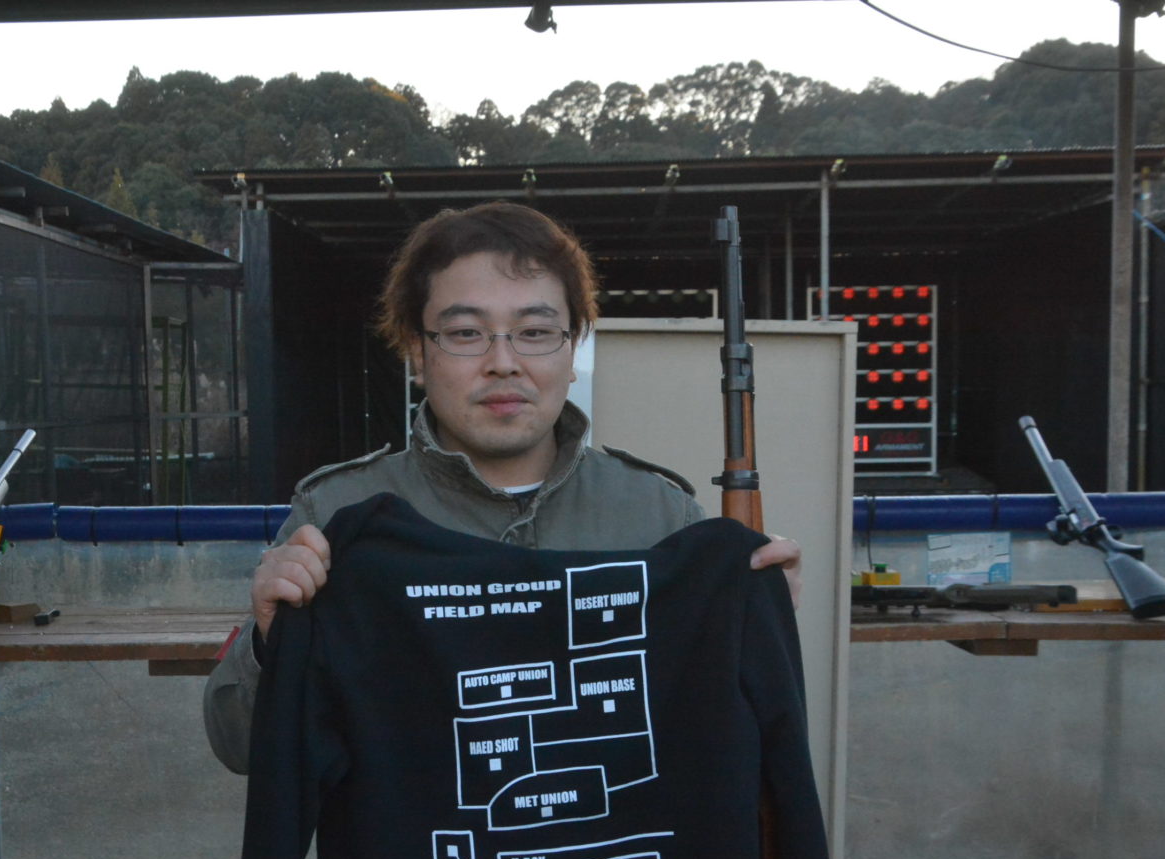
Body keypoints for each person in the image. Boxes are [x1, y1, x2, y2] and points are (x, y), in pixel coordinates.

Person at [204, 200, 799, 773]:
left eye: (535, 332)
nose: (504, 362)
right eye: (466, 333)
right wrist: (269, 643)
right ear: (416, 352)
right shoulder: (335, 517)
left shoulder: (659, 517)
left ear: (573, 347)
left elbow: (722, 733)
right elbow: (241, 749)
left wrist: (760, 622)